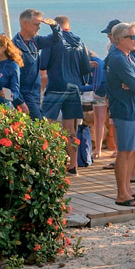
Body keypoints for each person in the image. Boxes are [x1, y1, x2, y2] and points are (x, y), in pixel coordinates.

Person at [105, 22, 135, 207]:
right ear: (121, 39)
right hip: (124, 109)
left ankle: (128, 189)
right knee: (123, 153)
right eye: (132, 36)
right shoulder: (117, 59)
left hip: (133, 108)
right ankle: (121, 194)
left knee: (130, 151)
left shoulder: (128, 56)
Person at [42, 15, 91, 175]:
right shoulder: (80, 42)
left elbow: (42, 64)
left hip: (56, 87)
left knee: (47, 126)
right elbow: (85, 69)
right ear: (69, 27)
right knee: (70, 129)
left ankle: (47, 163)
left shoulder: (52, 40)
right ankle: (74, 165)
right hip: (74, 88)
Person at [13, 9, 58, 119]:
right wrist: (19, 101)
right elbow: (10, 77)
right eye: (36, 24)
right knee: (38, 123)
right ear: (25, 23)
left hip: (36, 93)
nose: (39, 27)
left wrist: (54, 26)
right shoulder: (14, 45)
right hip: (24, 94)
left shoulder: (35, 41)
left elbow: (56, 39)